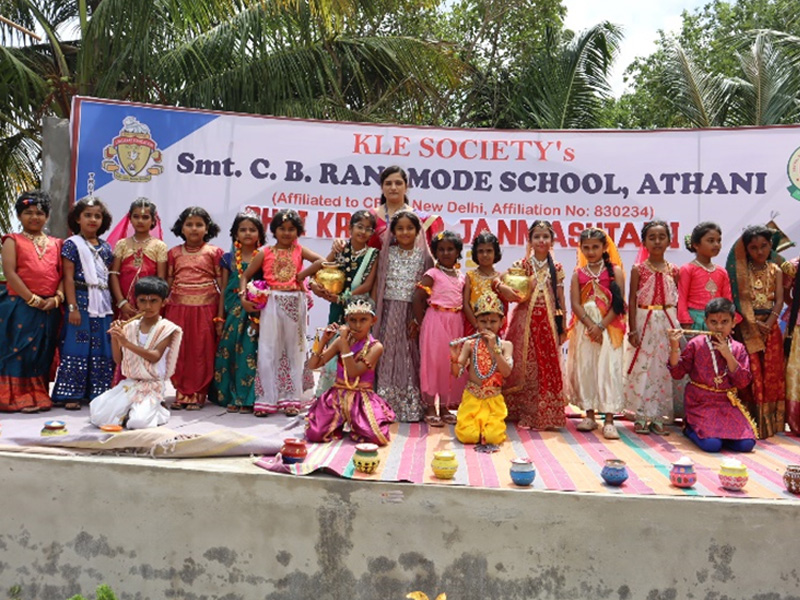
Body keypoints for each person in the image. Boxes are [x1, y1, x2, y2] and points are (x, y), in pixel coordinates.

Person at [240, 209, 325, 417]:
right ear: (274, 231)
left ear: (298, 232)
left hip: (295, 302)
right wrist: (244, 297)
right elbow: (246, 275)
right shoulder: (265, 252)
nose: (287, 233)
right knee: (268, 349)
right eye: (282, 229)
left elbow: (321, 261)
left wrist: (302, 275)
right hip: (272, 302)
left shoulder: (299, 250)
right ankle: (266, 400)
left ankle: (292, 398)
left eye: (292, 229)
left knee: (294, 350)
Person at [497, 220, 567, 430]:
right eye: (537, 237)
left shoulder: (557, 268)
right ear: (530, 240)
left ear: (552, 241)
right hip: (524, 323)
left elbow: (560, 299)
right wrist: (502, 287)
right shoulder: (522, 265)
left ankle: (545, 413)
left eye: (545, 236)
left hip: (547, 324)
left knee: (545, 366)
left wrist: (562, 327)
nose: (541, 241)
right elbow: (501, 281)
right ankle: (522, 411)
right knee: (523, 365)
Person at [89, 277, 183, 429]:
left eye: (153, 301)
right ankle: (134, 410)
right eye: (142, 301)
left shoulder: (167, 328)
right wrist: (115, 338)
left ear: (163, 302)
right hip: (131, 383)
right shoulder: (130, 327)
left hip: (152, 385)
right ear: (136, 302)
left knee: (137, 423)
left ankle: (159, 410)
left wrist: (125, 343)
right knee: (99, 416)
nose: (147, 306)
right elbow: (118, 360)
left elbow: (154, 356)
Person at [0, 191, 63, 412]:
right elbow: (10, 273)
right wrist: (33, 299)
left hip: (49, 308)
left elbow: (63, 276)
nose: (34, 217)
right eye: (28, 213)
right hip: (20, 305)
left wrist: (56, 299)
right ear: (19, 216)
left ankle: (38, 395)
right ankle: (15, 397)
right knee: (17, 350)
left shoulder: (57, 243)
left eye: (39, 213)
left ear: (46, 216)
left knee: (42, 351)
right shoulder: (12, 240)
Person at [668, 298, 757, 452]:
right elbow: (677, 373)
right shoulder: (696, 344)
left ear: (733, 322)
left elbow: (742, 382)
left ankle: (718, 435)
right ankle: (690, 428)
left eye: (724, 322)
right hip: (700, 402)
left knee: (747, 444)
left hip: (726, 402)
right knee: (712, 445)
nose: (719, 327)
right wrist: (674, 347)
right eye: (713, 322)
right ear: (706, 322)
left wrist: (728, 355)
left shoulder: (738, 348)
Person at [306, 295, 396, 445]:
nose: (358, 325)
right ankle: (339, 425)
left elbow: (354, 372)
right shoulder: (341, 341)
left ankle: (355, 426)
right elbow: (313, 365)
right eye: (353, 320)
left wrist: (343, 344)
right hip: (336, 396)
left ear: (373, 321)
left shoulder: (376, 347)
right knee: (315, 434)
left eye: (363, 320)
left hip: (362, 398)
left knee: (376, 437)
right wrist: (324, 340)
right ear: (346, 320)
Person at [52, 196, 115, 409]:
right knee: (77, 345)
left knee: (101, 347)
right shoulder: (72, 244)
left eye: (97, 216)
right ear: (77, 219)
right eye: (88, 215)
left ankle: (98, 392)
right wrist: (72, 308)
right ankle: (71, 394)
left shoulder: (107, 248)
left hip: (103, 304)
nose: (93, 220)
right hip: (80, 301)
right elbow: (68, 278)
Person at [372, 211, 433, 422]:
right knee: (388, 353)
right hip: (388, 312)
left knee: (410, 355)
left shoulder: (425, 258)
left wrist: (419, 319)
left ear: (417, 231)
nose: (405, 232)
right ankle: (384, 404)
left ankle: (411, 406)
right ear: (393, 232)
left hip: (411, 314)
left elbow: (428, 292)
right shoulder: (386, 254)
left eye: (410, 228)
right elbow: (378, 286)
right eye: (400, 228)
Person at [566, 227, 626, 440]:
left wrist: (601, 326)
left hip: (609, 327)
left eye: (595, 247)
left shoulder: (615, 271)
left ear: (604, 248)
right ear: (581, 249)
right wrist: (591, 325)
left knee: (608, 369)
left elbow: (619, 305)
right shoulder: (578, 274)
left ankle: (609, 419)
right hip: (585, 328)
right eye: (586, 248)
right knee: (587, 368)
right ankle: (589, 415)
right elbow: (575, 303)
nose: (590, 252)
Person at [310, 210, 379, 394]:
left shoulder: (373, 254)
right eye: (359, 227)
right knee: (334, 345)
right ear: (350, 228)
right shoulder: (341, 250)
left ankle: (352, 393)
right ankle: (328, 393)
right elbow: (322, 268)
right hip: (337, 309)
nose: (363, 232)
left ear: (372, 233)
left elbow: (367, 285)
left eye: (368, 229)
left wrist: (344, 298)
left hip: (358, 310)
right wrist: (314, 285)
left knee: (356, 350)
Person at [726, 225, 785, 439]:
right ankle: (747, 421)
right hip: (746, 327)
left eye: (764, 246)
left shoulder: (776, 270)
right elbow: (738, 301)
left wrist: (769, 322)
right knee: (750, 373)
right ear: (746, 250)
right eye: (753, 247)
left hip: (771, 327)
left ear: (771, 246)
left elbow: (779, 300)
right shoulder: (740, 272)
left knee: (771, 373)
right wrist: (751, 323)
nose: (759, 251)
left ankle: (769, 424)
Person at [624, 220, 681, 434]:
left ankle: (658, 415)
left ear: (669, 241)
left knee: (662, 367)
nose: (657, 241)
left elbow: (677, 300)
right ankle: (640, 414)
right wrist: (633, 329)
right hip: (644, 319)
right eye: (652, 237)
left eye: (661, 237)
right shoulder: (638, 269)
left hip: (667, 321)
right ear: (644, 242)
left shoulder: (674, 270)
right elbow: (631, 299)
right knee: (643, 366)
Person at [165, 207, 223, 410]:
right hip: (178, 308)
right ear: (181, 227)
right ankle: (181, 391)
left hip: (206, 308)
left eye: (199, 224)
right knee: (179, 350)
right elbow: (168, 284)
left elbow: (222, 287)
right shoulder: (173, 253)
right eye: (189, 224)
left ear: (207, 228)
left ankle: (198, 393)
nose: (194, 229)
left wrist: (221, 315)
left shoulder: (214, 253)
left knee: (201, 351)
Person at [209, 212, 266, 413]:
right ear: (235, 233)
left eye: (252, 229)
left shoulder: (265, 256)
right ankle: (231, 396)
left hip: (256, 310)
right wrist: (219, 317)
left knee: (251, 352)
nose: (248, 233)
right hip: (233, 309)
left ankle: (249, 398)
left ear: (260, 233)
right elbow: (223, 290)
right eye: (243, 229)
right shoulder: (228, 258)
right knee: (230, 350)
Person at [413, 231, 467, 426]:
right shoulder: (432, 274)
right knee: (433, 364)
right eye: (441, 249)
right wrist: (423, 323)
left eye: (450, 249)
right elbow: (418, 298)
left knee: (449, 364)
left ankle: (444, 407)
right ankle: (429, 407)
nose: (445, 253)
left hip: (455, 321)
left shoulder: (462, 277)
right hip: (435, 320)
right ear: (435, 252)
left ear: (458, 252)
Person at [452, 294, 514, 445]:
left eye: (493, 321)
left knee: (493, 438)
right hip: (472, 398)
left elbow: (506, 372)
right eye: (483, 321)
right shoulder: (470, 344)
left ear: (502, 322)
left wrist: (495, 348)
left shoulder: (506, 345)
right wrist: (454, 358)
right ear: (476, 323)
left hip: (494, 401)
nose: (488, 326)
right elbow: (457, 373)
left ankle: (486, 429)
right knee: (468, 437)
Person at [109, 198, 167, 320]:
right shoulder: (122, 244)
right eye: (136, 217)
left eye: (145, 217)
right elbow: (114, 274)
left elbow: (160, 279)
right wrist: (121, 302)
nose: (140, 221)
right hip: (124, 302)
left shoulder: (159, 246)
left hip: (148, 303)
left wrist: (150, 303)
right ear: (130, 219)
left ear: (153, 221)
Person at [367, 166, 443, 249]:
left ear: (406, 187)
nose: (393, 188)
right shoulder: (372, 216)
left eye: (398, 183)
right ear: (382, 188)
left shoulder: (422, 219)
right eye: (388, 183)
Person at [678, 222, 732, 331]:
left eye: (719, 241)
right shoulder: (688, 269)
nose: (716, 244)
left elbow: (727, 300)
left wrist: (729, 319)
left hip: (718, 323)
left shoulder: (722, 271)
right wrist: (686, 321)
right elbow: (681, 298)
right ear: (696, 245)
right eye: (711, 241)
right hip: (695, 321)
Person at [463, 230, 505, 337]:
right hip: (473, 327)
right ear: (475, 254)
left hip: (495, 329)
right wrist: (477, 325)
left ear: (496, 253)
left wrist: (495, 325)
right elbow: (466, 304)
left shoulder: (501, 278)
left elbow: (504, 305)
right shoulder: (470, 276)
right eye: (481, 251)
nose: (485, 255)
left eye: (489, 251)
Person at [782, 252, 800, 435]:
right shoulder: (793, 266)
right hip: (798, 325)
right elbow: (786, 295)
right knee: (795, 371)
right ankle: (795, 421)